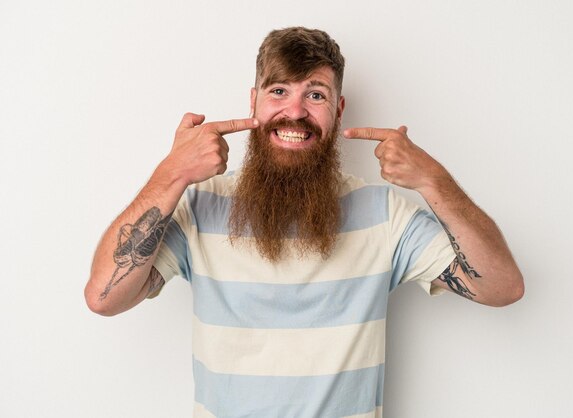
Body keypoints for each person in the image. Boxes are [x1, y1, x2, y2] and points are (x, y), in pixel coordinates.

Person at [85, 27, 523, 418]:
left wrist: (434, 181)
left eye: (315, 94)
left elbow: (502, 287)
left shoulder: (384, 215)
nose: (295, 112)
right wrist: (171, 174)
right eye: (278, 91)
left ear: (338, 109)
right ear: (253, 100)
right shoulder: (202, 206)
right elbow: (105, 297)